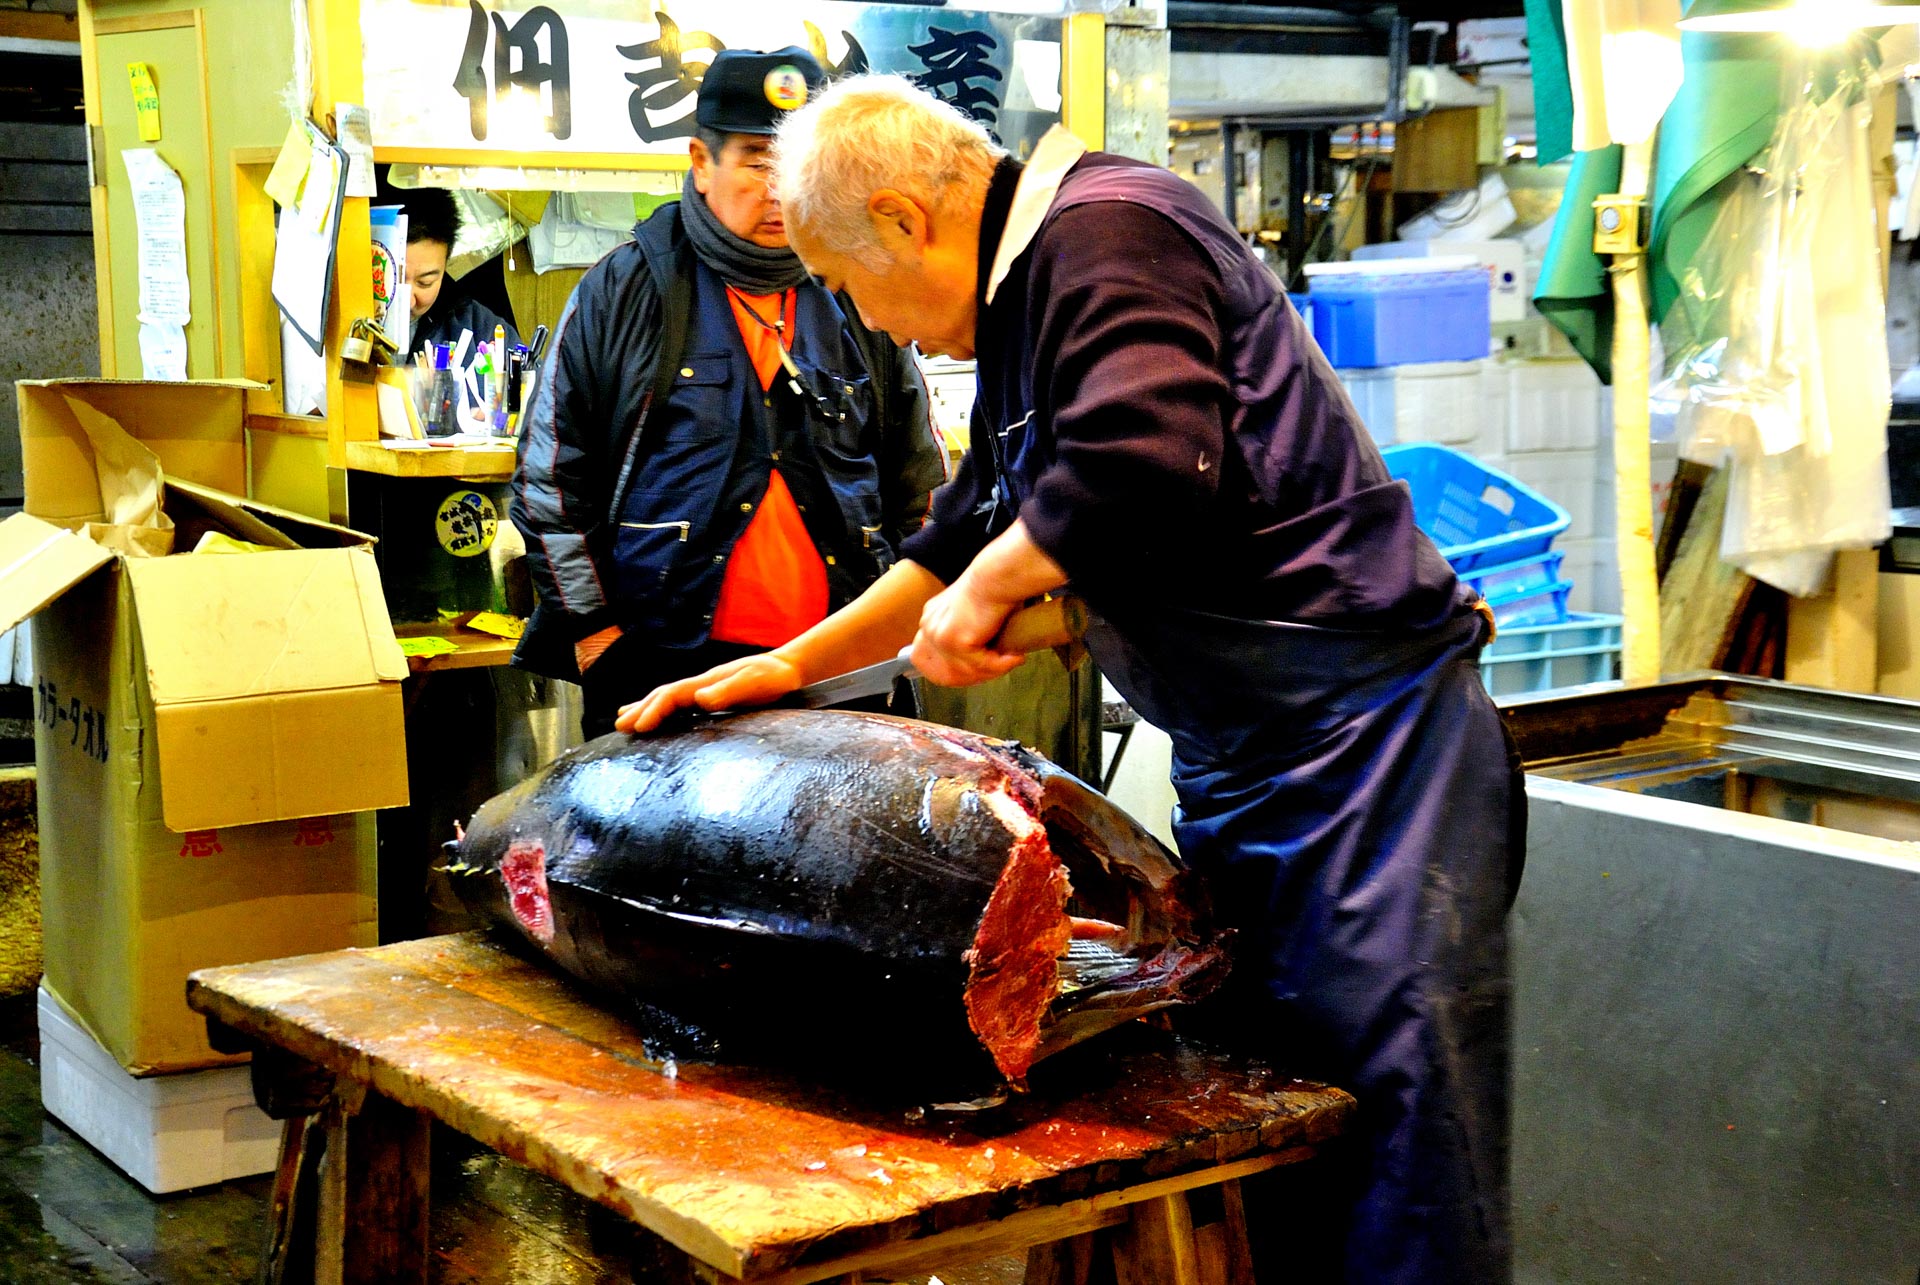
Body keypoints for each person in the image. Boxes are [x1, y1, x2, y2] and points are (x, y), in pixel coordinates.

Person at [617, 77, 1525, 1284]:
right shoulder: (1025, 296)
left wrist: (990, 594)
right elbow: (962, 530)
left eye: (847, 284)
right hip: (1253, 768)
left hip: (1369, 766)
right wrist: (788, 666)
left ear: (900, 218)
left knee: (1404, 1150)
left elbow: (1142, 460)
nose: (869, 322)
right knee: (1279, 1136)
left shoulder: (1107, 232)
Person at [510, 50, 947, 738]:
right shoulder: (623, 290)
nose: (779, 190)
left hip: (840, 677)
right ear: (700, 159)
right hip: (662, 678)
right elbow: (550, 486)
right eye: (756, 159)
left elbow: (920, 486)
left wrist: (905, 627)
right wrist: (597, 639)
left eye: (798, 166)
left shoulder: (862, 289)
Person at [384, 182, 522, 359]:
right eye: (394, 279)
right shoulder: (341, 322)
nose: (408, 301)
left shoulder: (480, 330)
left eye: (425, 283)